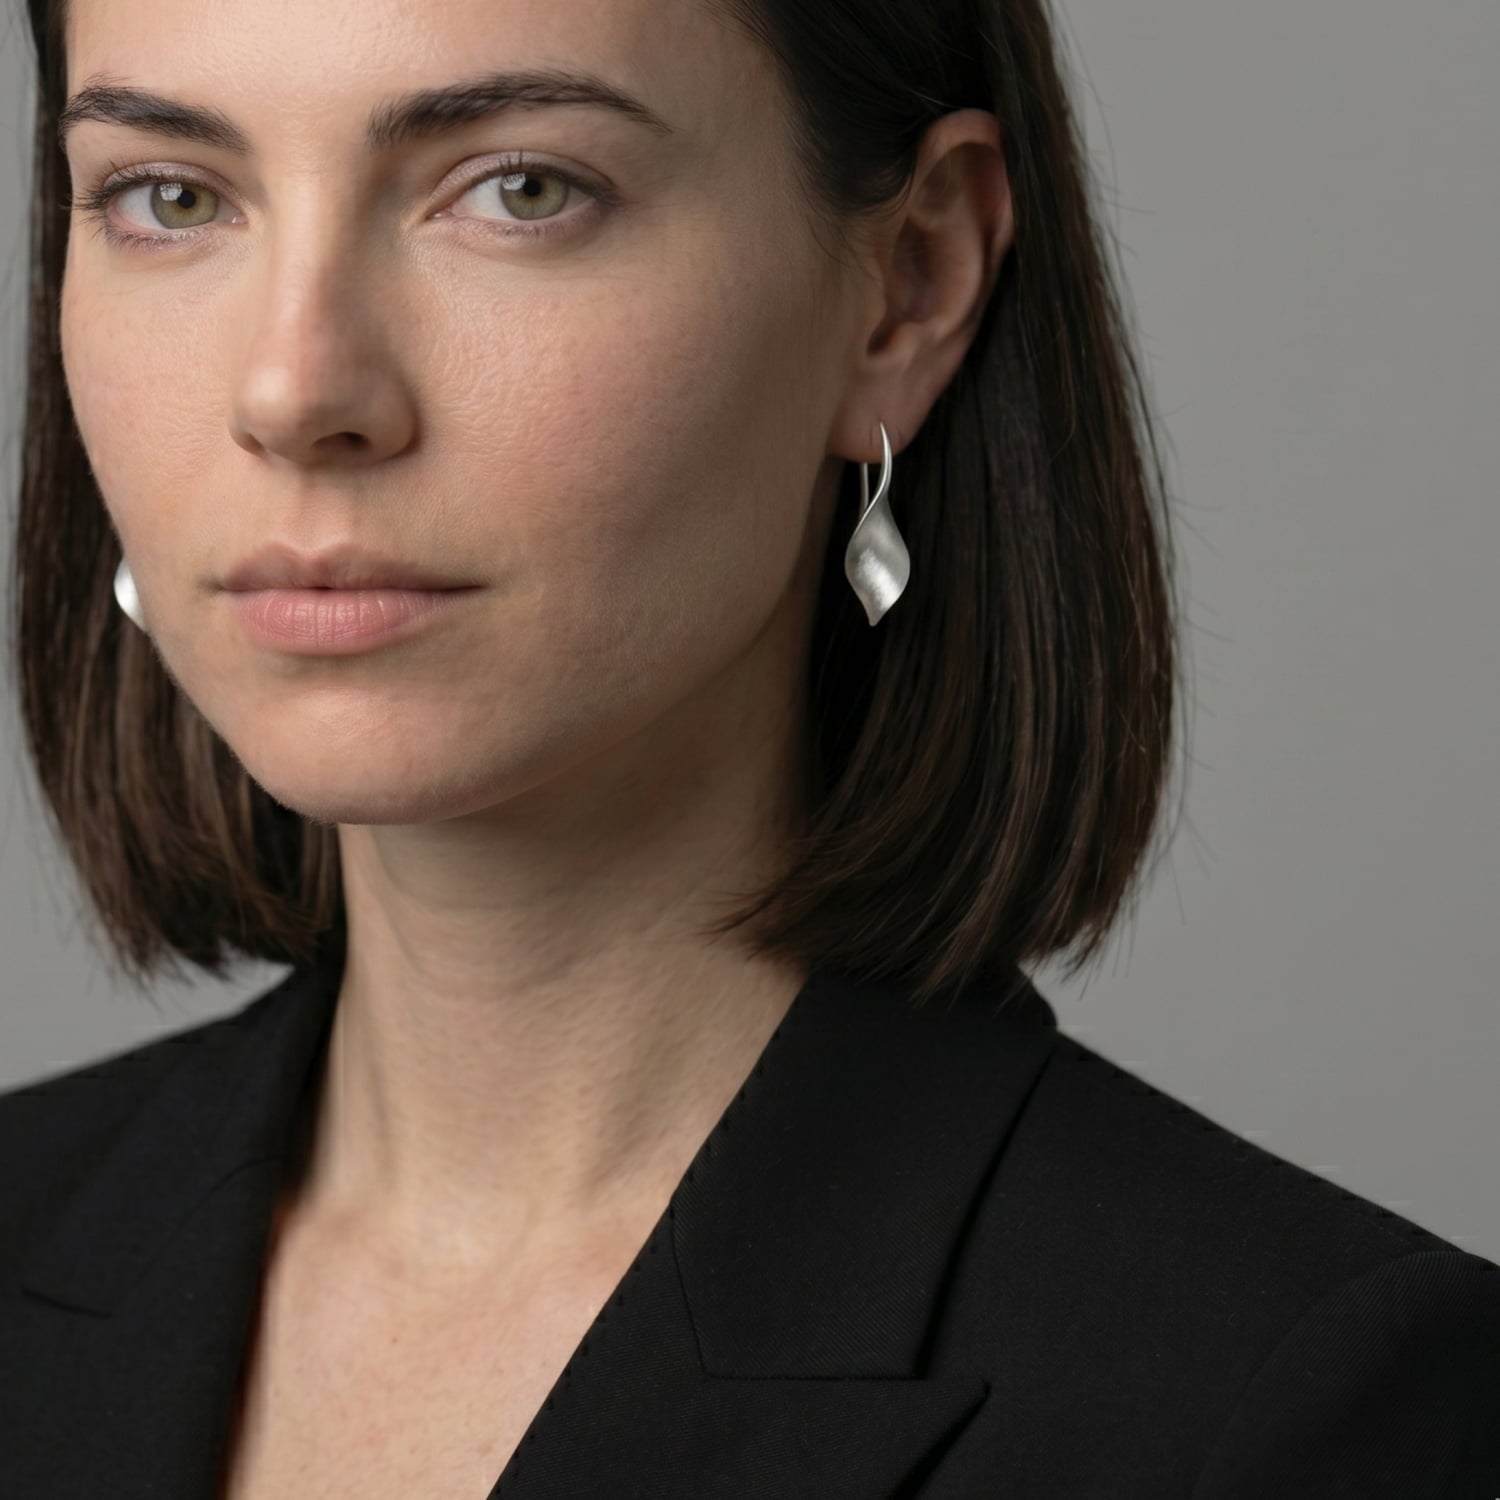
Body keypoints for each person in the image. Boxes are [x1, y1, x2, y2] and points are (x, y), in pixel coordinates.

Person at [2, 0, 1495, 1494]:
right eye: (170, 198)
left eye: (522, 188)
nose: (296, 391)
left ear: (909, 283)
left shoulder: (1301, 1416)